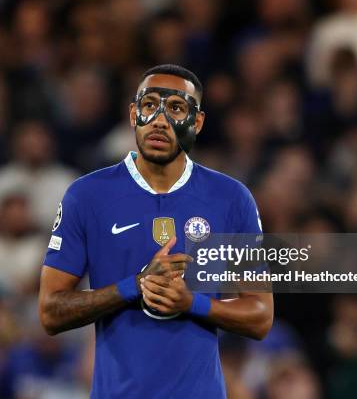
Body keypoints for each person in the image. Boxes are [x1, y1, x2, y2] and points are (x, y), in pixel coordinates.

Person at [38, 64, 273, 398]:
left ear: (198, 122)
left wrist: (191, 303)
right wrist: (133, 286)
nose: (160, 119)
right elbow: (50, 311)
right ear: (134, 114)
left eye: (176, 108)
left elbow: (261, 316)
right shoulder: (87, 196)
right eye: (149, 105)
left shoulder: (231, 198)